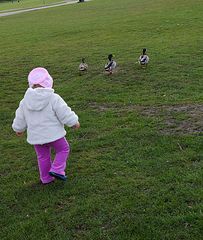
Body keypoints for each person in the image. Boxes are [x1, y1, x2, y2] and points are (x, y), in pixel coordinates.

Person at [12, 67, 80, 184]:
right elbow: (64, 112)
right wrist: (73, 122)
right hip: (54, 135)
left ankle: (46, 178)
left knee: (42, 157)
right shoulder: (53, 98)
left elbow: (20, 117)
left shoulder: (25, 101)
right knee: (63, 149)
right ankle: (57, 169)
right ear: (49, 82)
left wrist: (19, 128)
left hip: (36, 137)